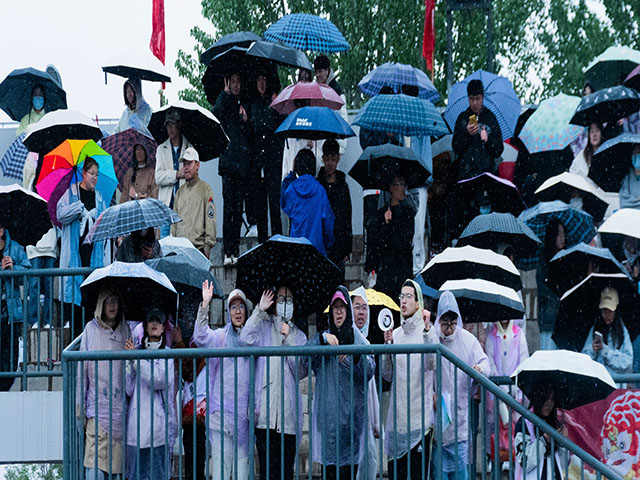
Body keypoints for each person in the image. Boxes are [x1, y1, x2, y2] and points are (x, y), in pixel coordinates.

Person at [303, 286, 376, 480]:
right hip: (328, 426)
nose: (338, 312)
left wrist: (356, 355)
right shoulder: (324, 339)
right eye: (335, 308)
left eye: (342, 308)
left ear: (348, 311)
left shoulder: (358, 340)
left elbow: (369, 371)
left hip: (351, 425)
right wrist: (321, 339)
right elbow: (304, 359)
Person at [240, 286, 307, 480]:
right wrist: (259, 311)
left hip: (289, 418)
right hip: (265, 417)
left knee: (285, 473)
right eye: (280, 299)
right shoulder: (263, 327)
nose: (284, 304)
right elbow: (245, 339)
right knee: (267, 473)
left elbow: (301, 370)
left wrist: (289, 339)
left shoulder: (299, 336)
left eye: (289, 300)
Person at [192, 282, 251, 480]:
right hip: (220, 419)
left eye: (241, 306)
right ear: (228, 311)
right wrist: (205, 305)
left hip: (244, 419)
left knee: (242, 474)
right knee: (220, 474)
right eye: (233, 307)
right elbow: (200, 337)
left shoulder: (253, 339)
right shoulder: (220, 337)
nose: (237, 311)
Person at [382, 280, 438, 480]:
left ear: (418, 303)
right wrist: (387, 348)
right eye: (401, 296)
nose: (403, 301)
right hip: (397, 421)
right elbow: (387, 375)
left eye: (408, 297)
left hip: (419, 422)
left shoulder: (427, 332)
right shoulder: (395, 334)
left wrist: (427, 331)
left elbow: (433, 363)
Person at [434, 290, 490, 480]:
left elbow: (485, 363)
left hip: (460, 415)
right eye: (444, 324)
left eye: (452, 323)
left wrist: (479, 369)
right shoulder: (432, 339)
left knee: (460, 472)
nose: (449, 329)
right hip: (438, 415)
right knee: (438, 472)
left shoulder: (467, 340)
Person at [76, 288, 131, 480]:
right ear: (100, 305)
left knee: (117, 468)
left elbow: (130, 370)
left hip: (119, 410)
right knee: (94, 467)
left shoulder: (125, 330)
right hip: (96, 409)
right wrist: (79, 408)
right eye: (107, 301)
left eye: (115, 300)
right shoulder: (90, 329)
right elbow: (82, 373)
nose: (112, 305)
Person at [58, 158, 111, 339]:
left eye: (97, 174)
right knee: (75, 312)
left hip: (93, 260)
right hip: (75, 260)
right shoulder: (71, 194)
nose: (95, 177)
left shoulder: (100, 198)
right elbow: (60, 214)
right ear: (83, 173)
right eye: (92, 173)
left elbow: (105, 225)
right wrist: (77, 208)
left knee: (92, 310)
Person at [124, 308, 176, 480]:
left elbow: (159, 380)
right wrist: (129, 362)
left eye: (159, 321)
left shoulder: (168, 353)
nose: (154, 324)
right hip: (135, 429)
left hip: (158, 431)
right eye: (151, 321)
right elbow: (129, 388)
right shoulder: (135, 351)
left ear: (163, 328)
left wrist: (137, 361)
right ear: (145, 327)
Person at [213, 73, 251, 266]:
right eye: (233, 81)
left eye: (238, 82)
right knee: (228, 209)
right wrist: (224, 95)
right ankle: (227, 250)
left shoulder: (245, 103)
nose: (236, 85)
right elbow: (215, 115)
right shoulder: (225, 101)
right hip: (228, 164)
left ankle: (235, 249)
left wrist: (245, 119)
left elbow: (251, 134)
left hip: (242, 165)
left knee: (238, 209)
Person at [485, 319, 529, 469]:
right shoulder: (491, 335)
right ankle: (496, 456)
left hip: (515, 389)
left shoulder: (519, 334)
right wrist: (502, 386)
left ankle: (514, 455)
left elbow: (523, 360)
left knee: (515, 426)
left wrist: (514, 386)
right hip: (496, 390)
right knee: (496, 426)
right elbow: (490, 362)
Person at [365, 174, 416, 299]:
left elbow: (404, 240)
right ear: (391, 188)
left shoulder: (408, 212)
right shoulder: (381, 213)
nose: (402, 188)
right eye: (398, 184)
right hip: (386, 269)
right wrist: (385, 223)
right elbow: (377, 242)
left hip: (401, 266)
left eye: (404, 184)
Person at [249, 72, 285, 243]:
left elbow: (279, 130)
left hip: (274, 162)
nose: (261, 83)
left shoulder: (276, 103)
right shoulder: (254, 104)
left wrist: (276, 108)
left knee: (275, 205)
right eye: (258, 80)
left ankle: (278, 240)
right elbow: (253, 130)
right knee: (260, 207)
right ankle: (262, 242)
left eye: (264, 79)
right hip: (258, 164)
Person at [350, 287, 382, 480]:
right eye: (357, 307)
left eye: (364, 308)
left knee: (368, 465)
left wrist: (376, 422)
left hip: (366, 417)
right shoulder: (344, 341)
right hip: (349, 416)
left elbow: (371, 390)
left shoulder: (368, 344)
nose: (361, 312)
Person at [281, 149, 335, 256]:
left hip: (296, 247)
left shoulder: (291, 189)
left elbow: (284, 203)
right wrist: (329, 244)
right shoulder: (320, 190)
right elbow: (328, 221)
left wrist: (291, 175)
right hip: (316, 248)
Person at [171, 323, 207, 480]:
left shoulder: (201, 343)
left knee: (197, 458)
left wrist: (179, 343)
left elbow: (188, 371)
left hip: (200, 412)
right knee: (191, 458)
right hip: (188, 411)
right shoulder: (186, 338)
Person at [452, 79, 504, 180]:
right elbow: (456, 147)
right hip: (466, 174)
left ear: (483, 97)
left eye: (478, 99)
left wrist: (488, 140)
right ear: (468, 99)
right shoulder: (462, 118)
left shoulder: (491, 118)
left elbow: (499, 150)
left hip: (488, 175)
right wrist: (467, 134)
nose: (475, 103)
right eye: (472, 99)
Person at [170, 147, 216, 258]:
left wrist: (207, 247)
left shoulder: (206, 189)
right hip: (180, 250)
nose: (185, 167)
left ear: (197, 165)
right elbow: (174, 223)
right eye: (184, 164)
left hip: (198, 249)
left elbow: (210, 219)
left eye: (189, 164)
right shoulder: (179, 192)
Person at [0, 226, 31, 391]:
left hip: (10, 315)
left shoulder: (16, 248)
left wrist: (13, 268)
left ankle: (4, 390)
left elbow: (28, 276)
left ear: (1, 231)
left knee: (11, 360)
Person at [155, 110, 194, 239]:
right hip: (166, 206)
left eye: (173, 125)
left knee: (183, 244)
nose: (170, 129)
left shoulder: (190, 148)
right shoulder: (161, 149)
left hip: (185, 206)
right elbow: (158, 177)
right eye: (168, 125)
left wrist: (187, 173)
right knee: (165, 246)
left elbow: (194, 175)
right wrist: (177, 174)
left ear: (179, 125)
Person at [317, 139, 352, 280]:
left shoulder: (343, 186)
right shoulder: (318, 185)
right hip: (322, 243)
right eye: (327, 159)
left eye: (333, 159)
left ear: (338, 159)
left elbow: (347, 216)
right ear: (323, 159)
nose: (330, 163)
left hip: (338, 243)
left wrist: (347, 248)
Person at [514, 389, 566, 480]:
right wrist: (544, 440)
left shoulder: (554, 423)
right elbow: (525, 462)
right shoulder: (524, 423)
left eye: (552, 400)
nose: (549, 404)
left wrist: (564, 442)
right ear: (538, 399)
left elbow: (563, 464)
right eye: (546, 399)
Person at [581, 287, 633, 376]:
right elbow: (583, 360)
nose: (607, 315)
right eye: (604, 311)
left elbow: (628, 362)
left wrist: (608, 353)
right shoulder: (594, 329)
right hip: (598, 382)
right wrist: (592, 350)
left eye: (610, 311)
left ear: (616, 311)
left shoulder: (623, 332)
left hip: (617, 383)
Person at [536, 219, 565, 350]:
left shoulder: (567, 259)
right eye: (559, 234)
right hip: (549, 317)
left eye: (564, 234)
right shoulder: (544, 260)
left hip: (563, 318)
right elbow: (543, 289)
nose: (562, 238)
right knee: (547, 355)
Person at [619, 144, 640, 209]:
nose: (636, 155)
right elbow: (624, 203)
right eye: (634, 152)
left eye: (639, 152)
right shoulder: (626, 177)